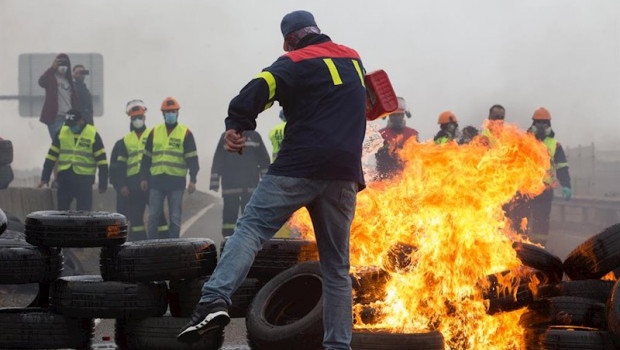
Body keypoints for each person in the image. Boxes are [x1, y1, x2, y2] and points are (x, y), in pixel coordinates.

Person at [177, 10, 366, 350]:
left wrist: (237, 122)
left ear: (290, 38)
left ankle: (214, 300)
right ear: (317, 30)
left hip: (298, 166)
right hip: (344, 175)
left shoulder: (293, 61)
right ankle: (338, 346)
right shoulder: (353, 60)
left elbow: (258, 87)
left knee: (250, 229)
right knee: (337, 267)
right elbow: (369, 102)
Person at [139, 97, 199, 240]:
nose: (170, 114)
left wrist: (193, 180)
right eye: (167, 112)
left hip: (176, 182)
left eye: (173, 111)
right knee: (153, 216)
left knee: (175, 217)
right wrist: (143, 178)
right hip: (156, 181)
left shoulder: (186, 133)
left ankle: (174, 246)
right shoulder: (154, 132)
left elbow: (192, 159)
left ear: (177, 113)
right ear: (163, 113)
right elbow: (146, 158)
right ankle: (151, 246)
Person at [109, 100, 163, 241]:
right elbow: (118, 168)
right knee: (136, 218)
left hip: (152, 182)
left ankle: (166, 242)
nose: (137, 120)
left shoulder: (154, 136)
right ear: (131, 119)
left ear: (144, 118)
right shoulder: (125, 141)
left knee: (159, 216)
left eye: (140, 117)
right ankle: (139, 245)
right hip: (133, 185)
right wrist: (121, 185)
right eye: (134, 118)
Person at [39, 109, 108, 210]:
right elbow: (51, 156)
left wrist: (103, 183)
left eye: (73, 124)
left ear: (81, 121)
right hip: (65, 179)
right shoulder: (62, 133)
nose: (71, 127)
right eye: (69, 125)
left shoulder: (92, 134)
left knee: (84, 215)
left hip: (84, 181)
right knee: (62, 214)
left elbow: (102, 161)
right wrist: (45, 177)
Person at [524, 107, 571, 244]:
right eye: (538, 122)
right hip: (526, 189)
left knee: (542, 220)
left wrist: (566, 185)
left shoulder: (555, 145)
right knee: (522, 218)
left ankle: (539, 247)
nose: (541, 125)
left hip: (545, 190)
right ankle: (521, 248)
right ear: (533, 123)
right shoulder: (523, 142)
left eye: (544, 122)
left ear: (549, 125)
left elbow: (562, 167)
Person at [211, 129, 270, 237]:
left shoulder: (255, 136)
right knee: (229, 219)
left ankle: (247, 242)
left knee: (250, 217)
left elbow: (264, 160)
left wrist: (267, 183)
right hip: (231, 187)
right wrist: (214, 181)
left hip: (249, 187)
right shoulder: (226, 137)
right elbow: (218, 159)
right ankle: (227, 243)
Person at [38, 53, 79, 140]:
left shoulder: (70, 82)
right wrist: (52, 68)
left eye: (65, 63)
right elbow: (41, 82)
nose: (63, 66)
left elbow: (75, 101)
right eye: (61, 63)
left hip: (69, 117)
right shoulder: (51, 78)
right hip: (56, 117)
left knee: (70, 144)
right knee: (59, 143)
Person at [375, 96, 417, 179]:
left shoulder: (412, 134)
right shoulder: (382, 134)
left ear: (403, 115)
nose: (396, 118)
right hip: (386, 178)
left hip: (408, 178)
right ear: (389, 116)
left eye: (399, 115)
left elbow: (418, 156)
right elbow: (378, 156)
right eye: (393, 115)